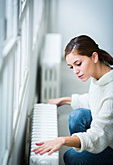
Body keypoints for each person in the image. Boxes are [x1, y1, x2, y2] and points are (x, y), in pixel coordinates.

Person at [33, 35, 113, 164]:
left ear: (94, 57)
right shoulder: (99, 76)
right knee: (77, 116)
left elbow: (99, 134)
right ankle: (87, 153)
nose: (75, 71)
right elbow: (95, 100)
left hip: (109, 143)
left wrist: (62, 140)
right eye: (71, 67)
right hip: (107, 134)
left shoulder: (111, 91)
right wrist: (63, 100)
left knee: (71, 157)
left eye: (78, 64)